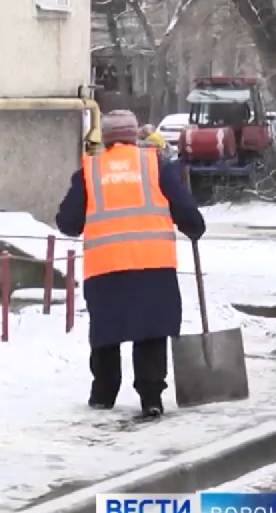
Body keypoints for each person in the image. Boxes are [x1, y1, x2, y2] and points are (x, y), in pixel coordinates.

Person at [55, 110, 206, 418]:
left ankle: (103, 395)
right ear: (134, 135)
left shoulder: (91, 170)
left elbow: (68, 223)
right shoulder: (155, 165)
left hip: (105, 268)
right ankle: (151, 398)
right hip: (153, 264)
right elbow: (185, 209)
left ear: (106, 139)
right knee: (150, 329)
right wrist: (193, 227)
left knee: (106, 331)